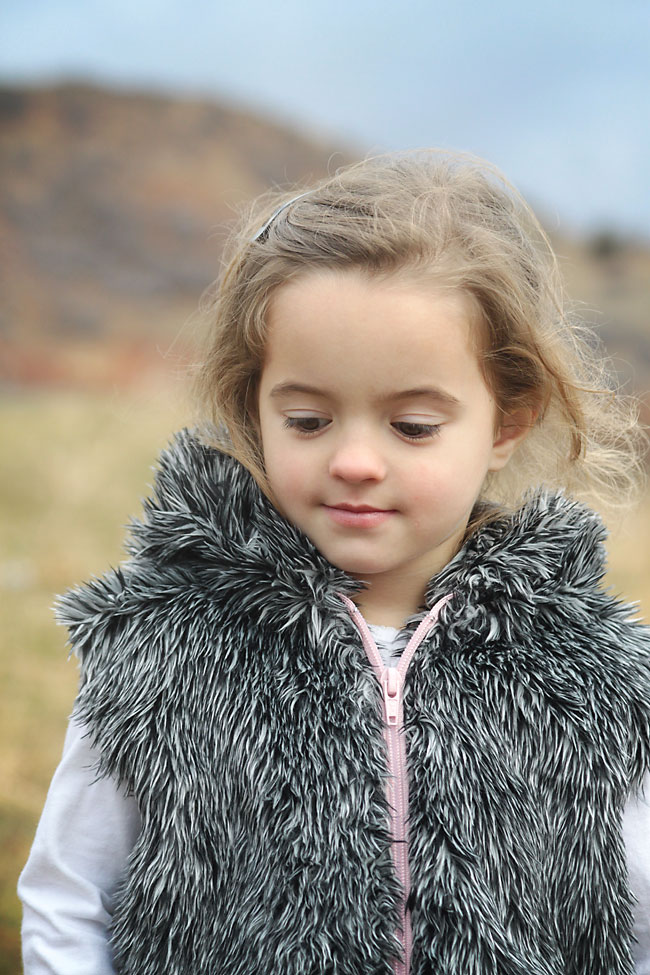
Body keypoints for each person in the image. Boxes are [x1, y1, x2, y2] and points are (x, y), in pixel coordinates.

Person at [19, 151, 650, 975]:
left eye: (412, 426)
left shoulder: (593, 675)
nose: (354, 460)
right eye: (310, 419)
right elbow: (71, 899)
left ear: (508, 420)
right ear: (257, 409)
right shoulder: (160, 649)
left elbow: (632, 931)